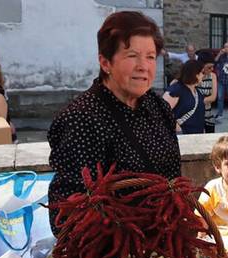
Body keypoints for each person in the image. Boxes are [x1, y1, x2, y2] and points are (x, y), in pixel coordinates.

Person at [47, 11, 181, 234]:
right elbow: (71, 209)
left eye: (150, 56)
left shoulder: (158, 107)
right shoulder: (80, 118)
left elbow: (174, 178)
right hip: (110, 246)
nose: (143, 66)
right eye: (132, 56)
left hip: (164, 239)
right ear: (105, 62)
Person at [163, 60, 205, 134]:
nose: (203, 75)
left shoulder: (198, 92)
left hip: (197, 135)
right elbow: (161, 112)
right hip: (181, 137)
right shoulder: (176, 89)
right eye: (202, 72)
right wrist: (178, 129)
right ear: (195, 74)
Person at [196, 53, 217, 133]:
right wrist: (199, 80)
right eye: (209, 67)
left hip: (208, 115)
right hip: (195, 115)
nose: (212, 69)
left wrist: (194, 102)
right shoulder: (194, 76)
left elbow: (213, 97)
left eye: (213, 67)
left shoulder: (213, 76)